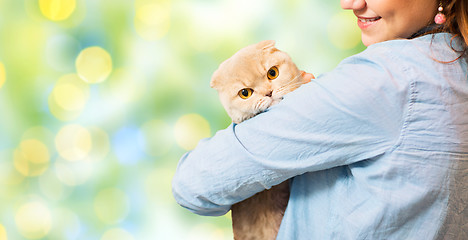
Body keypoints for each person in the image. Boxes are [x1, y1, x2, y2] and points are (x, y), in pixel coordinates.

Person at [172, 0, 468, 238]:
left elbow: (193, 184)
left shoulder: (388, 78)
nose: (349, 3)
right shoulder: (456, 66)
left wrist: (281, 114)